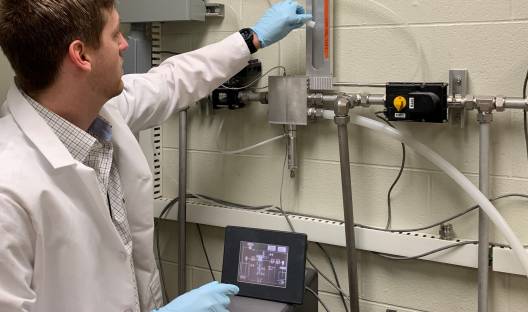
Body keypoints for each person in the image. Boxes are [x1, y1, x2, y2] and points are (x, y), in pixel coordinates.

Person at [0, 0, 311, 311]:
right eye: (114, 35)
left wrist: (252, 38)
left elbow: (171, 81)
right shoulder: (9, 192)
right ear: (81, 55)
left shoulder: (99, 113)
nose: (124, 45)